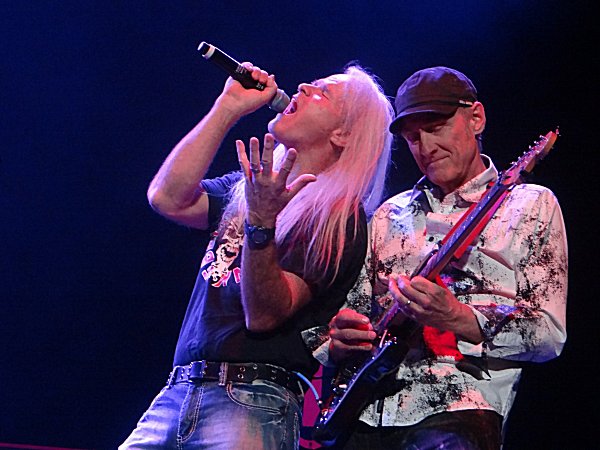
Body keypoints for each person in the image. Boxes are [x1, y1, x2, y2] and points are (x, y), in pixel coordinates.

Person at [119, 59, 394, 449]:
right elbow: (168, 198)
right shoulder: (245, 190)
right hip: (178, 391)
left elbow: (264, 315)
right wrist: (227, 108)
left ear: (343, 134)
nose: (301, 86)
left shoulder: (338, 220)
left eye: (322, 91)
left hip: (252, 400)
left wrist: (262, 224)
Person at [320, 66, 568, 449]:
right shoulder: (388, 214)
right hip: (365, 411)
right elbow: (347, 320)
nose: (425, 147)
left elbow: (549, 334)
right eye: (413, 138)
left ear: (476, 117)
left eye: (435, 128)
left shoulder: (530, 204)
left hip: (459, 410)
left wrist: (457, 317)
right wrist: (341, 339)